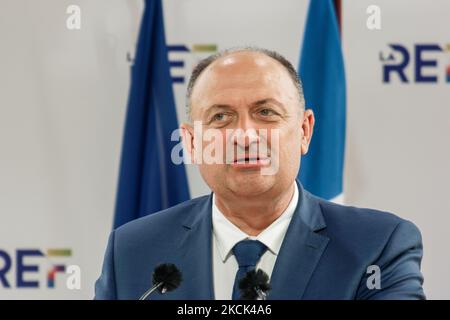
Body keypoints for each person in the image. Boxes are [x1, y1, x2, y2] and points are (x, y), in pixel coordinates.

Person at [95, 47, 425, 300]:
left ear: (304, 131)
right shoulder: (132, 250)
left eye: (265, 112)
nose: (245, 135)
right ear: (192, 142)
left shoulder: (378, 245)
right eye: (221, 117)